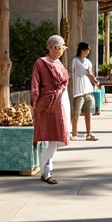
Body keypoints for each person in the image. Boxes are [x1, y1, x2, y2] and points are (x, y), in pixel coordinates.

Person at [31, 34, 70, 184]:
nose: (59, 50)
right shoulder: (41, 62)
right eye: (56, 47)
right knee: (49, 138)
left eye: (61, 48)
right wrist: (34, 102)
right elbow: (35, 83)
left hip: (60, 102)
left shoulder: (59, 63)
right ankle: (46, 170)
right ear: (50, 47)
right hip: (46, 103)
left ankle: (46, 170)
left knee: (55, 138)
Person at [69, 41, 100, 141]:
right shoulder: (75, 60)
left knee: (88, 113)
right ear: (82, 50)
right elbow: (70, 73)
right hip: (78, 90)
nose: (87, 52)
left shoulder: (88, 62)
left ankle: (89, 133)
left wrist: (93, 78)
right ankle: (74, 133)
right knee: (76, 113)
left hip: (88, 90)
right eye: (86, 50)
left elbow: (91, 75)